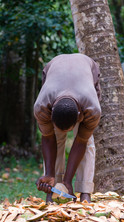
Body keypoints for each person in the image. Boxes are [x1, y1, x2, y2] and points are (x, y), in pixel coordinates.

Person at [33, 53, 101, 203]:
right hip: (54, 66)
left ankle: (85, 193)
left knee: (87, 140)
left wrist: (68, 180)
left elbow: (80, 141)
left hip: (86, 68)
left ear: (79, 115)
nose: (67, 132)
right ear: (51, 114)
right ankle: (54, 189)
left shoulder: (92, 108)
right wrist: (49, 174)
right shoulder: (41, 106)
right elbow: (47, 138)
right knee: (56, 138)